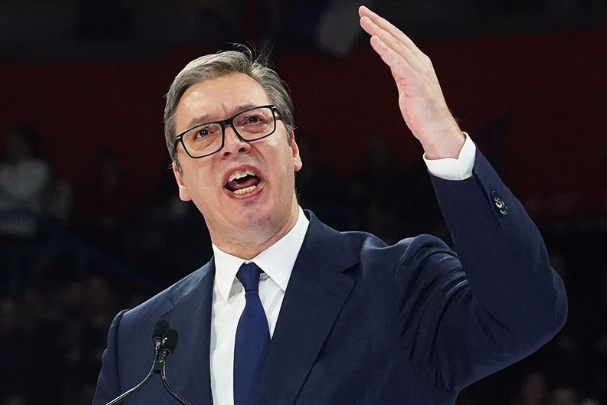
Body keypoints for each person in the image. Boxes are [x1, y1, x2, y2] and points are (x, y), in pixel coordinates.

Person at [93, 6, 567, 405]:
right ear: (181, 179)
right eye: (203, 133)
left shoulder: (400, 282)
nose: (232, 144)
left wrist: (443, 139)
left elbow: (526, 316)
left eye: (253, 121)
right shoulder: (139, 339)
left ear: (293, 149)